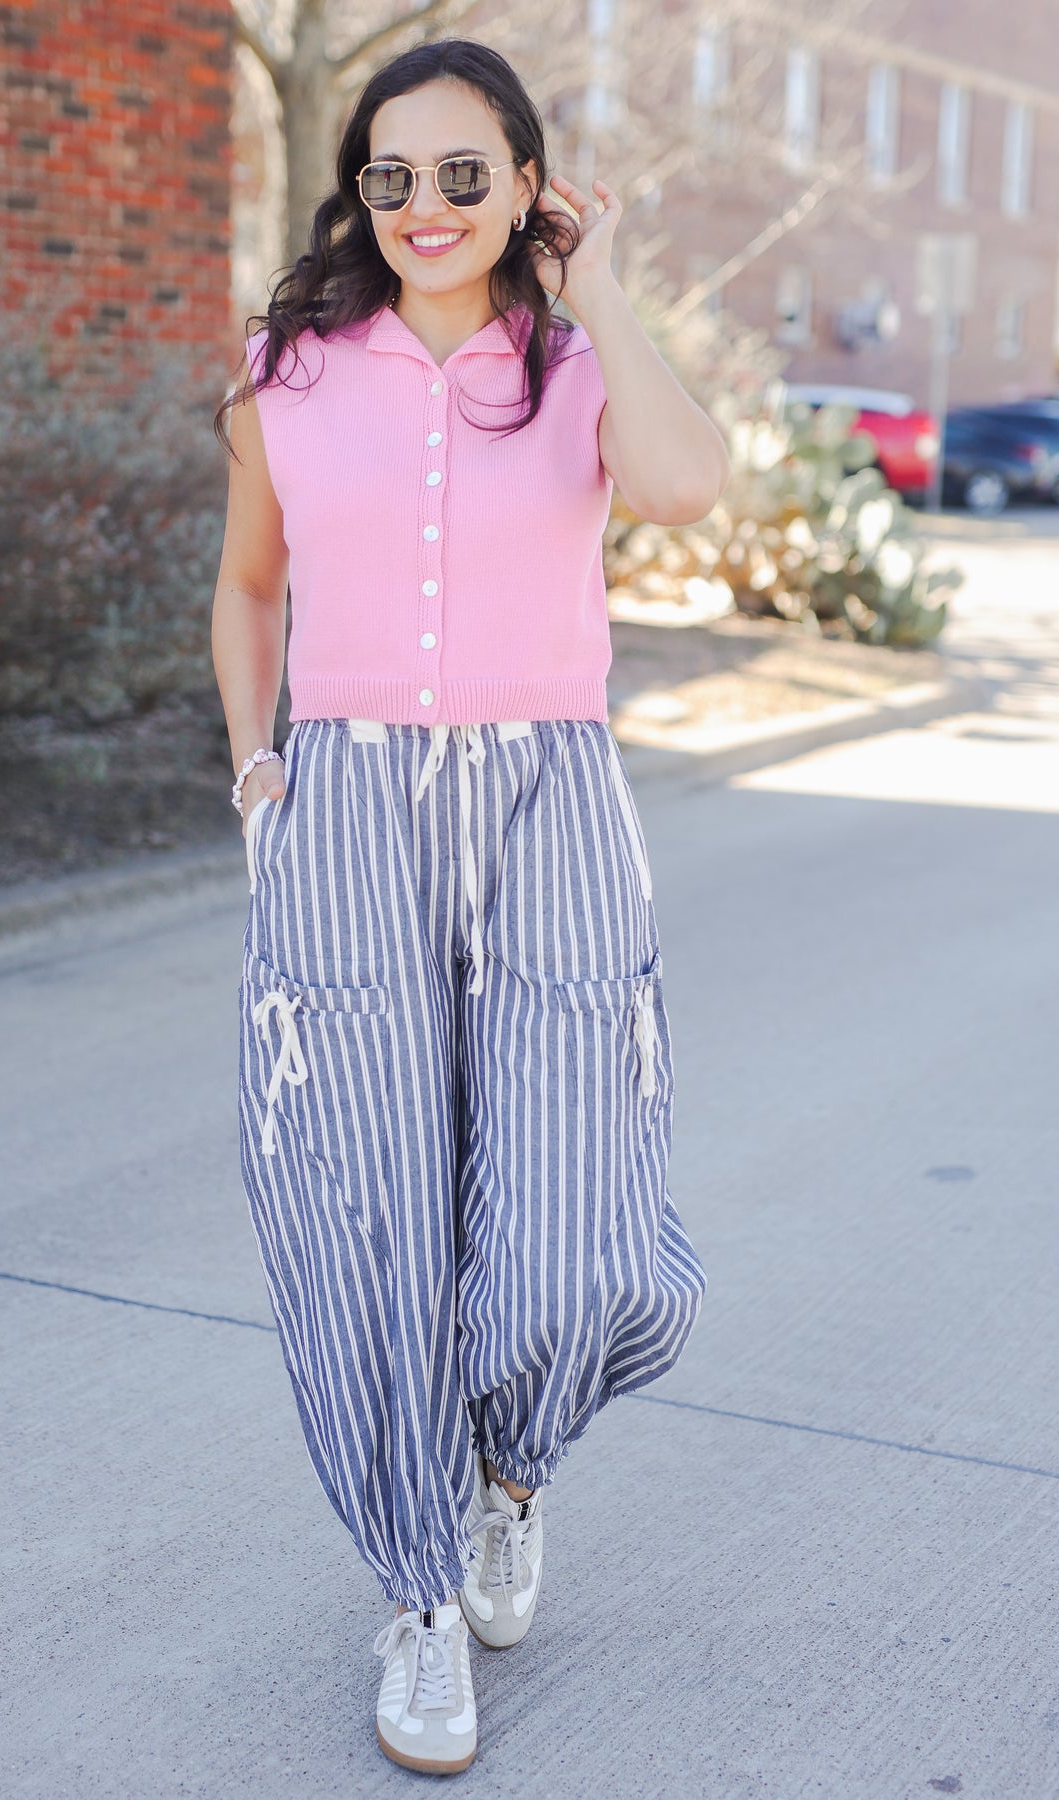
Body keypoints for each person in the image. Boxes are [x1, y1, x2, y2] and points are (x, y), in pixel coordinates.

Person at [210, 36, 727, 1778]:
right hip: (345, 806)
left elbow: (684, 487)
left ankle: (511, 1470)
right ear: (358, 195)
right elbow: (246, 590)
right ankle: (422, 1592)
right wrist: (259, 775)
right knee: (368, 1224)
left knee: (584, 1255)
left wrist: (607, 288)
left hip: (548, 806)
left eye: (460, 174)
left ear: (525, 181)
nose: (422, 209)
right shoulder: (292, 367)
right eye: (388, 179)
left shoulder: (576, 362)